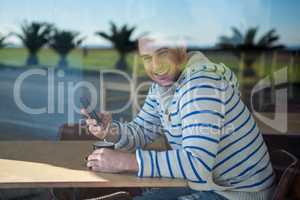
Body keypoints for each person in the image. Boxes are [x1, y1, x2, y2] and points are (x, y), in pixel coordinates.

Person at [81, 37, 275, 200]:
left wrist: (124, 162)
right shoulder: (162, 88)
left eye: (163, 53)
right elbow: (141, 131)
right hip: (207, 184)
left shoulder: (202, 85)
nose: (156, 67)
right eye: (147, 58)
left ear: (181, 47)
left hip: (237, 193)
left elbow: (196, 164)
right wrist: (111, 131)